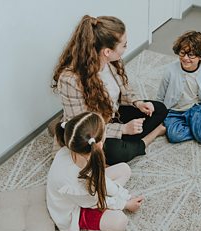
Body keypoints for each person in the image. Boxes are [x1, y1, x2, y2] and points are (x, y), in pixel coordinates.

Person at [51, 15, 167, 165]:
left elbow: (124, 91)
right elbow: (83, 127)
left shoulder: (112, 62)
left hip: (112, 115)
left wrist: (138, 103)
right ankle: (147, 139)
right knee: (117, 151)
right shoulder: (70, 80)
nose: (126, 48)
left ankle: (129, 140)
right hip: (91, 129)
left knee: (159, 109)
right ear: (107, 51)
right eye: (124, 45)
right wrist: (123, 129)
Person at [46, 112, 144, 231]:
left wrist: (122, 195)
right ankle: (92, 226)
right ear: (100, 144)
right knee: (120, 221)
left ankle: (104, 215)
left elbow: (102, 180)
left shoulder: (74, 150)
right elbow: (96, 201)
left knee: (124, 169)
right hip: (76, 209)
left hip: (85, 194)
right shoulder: (75, 184)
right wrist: (125, 204)